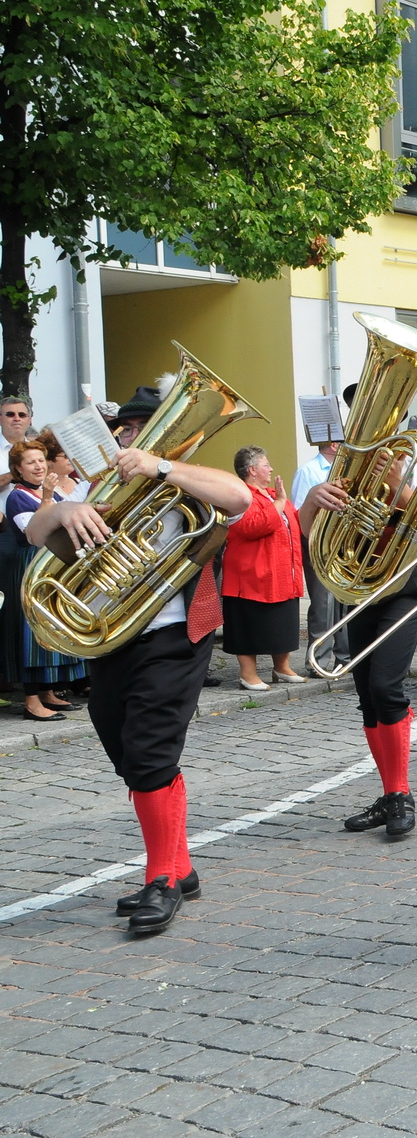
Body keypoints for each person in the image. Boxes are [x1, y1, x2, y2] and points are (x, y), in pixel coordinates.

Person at [27, 382, 253, 934]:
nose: (127, 435)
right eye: (123, 428)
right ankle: (181, 866)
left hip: (173, 634)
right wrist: (66, 510)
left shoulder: (181, 477)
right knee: (126, 751)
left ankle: (162, 881)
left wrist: (158, 466)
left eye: (136, 428)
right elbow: (35, 532)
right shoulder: (95, 482)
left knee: (149, 752)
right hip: (110, 635)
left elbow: (240, 498)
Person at [301, 387, 417, 841]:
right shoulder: (339, 466)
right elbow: (303, 531)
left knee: (386, 684)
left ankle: (401, 794)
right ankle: (388, 793)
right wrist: (314, 501)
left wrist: (398, 486)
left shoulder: (416, 463)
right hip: (357, 586)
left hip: (401, 588)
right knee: (367, 694)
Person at [3, 439, 87, 719]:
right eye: (30, 462)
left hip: (54, 567)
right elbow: (34, 533)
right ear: (18, 468)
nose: (38, 466)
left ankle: (49, 692)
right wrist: (49, 498)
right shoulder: (19, 496)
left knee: (51, 631)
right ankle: (31, 700)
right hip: (30, 567)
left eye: (40, 460)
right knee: (30, 633)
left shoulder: (51, 493)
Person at [222, 446, 306, 691]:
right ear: (252, 470)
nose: (270, 469)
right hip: (250, 576)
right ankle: (248, 674)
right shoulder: (241, 495)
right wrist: (280, 501)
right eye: (266, 465)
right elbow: (256, 526)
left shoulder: (270, 494)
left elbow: (293, 521)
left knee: (283, 622)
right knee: (249, 625)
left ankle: (282, 667)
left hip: (281, 573)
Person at [291, 439, 348, 674]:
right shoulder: (308, 470)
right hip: (318, 544)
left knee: (345, 602)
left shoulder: (345, 470)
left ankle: (345, 657)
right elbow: (298, 510)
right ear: (334, 445)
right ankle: (318, 660)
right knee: (323, 605)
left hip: (343, 543)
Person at [0, 394, 34, 499]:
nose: (17, 419)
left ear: (29, 420)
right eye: (10, 415)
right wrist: (14, 474)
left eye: (22, 415)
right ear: (0, 419)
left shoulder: (37, 450)